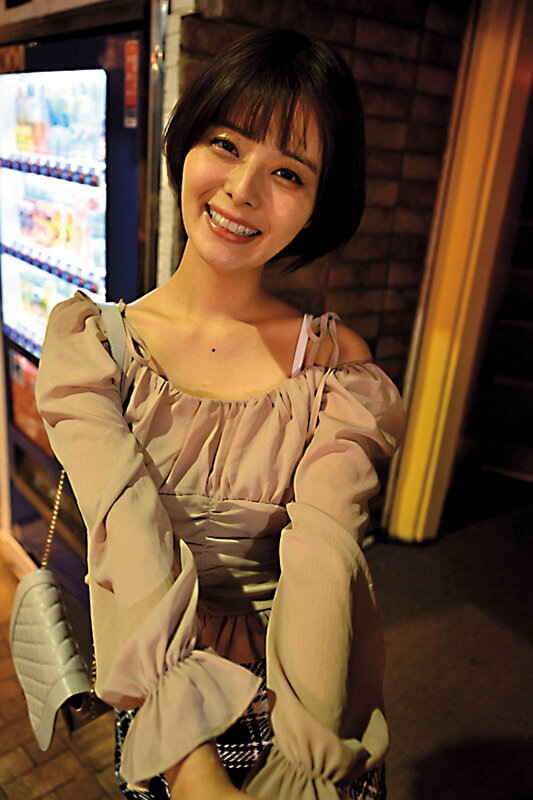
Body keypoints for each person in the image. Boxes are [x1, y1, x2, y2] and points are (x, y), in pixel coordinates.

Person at [35, 28, 405, 800]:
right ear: (188, 145)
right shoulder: (95, 348)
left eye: (287, 172)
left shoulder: (333, 368)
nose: (241, 189)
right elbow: (127, 525)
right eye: (226, 144)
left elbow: (324, 556)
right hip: (160, 709)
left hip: (296, 704)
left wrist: (302, 764)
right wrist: (190, 763)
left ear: (317, 205)